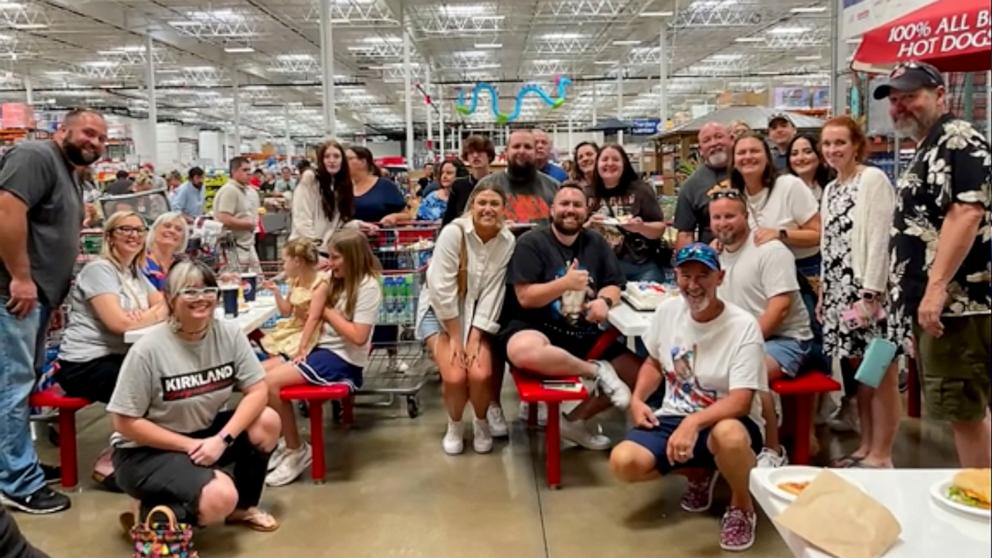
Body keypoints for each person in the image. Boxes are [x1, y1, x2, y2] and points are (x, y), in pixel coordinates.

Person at [609, 243, 767, 552]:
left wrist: (693, 422)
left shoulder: (743, 326)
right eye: (685, 276)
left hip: (729, 418)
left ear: (720, 278)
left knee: (729, 436)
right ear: (676, 277)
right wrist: (639, 399)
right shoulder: (668, 311)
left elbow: (741, 401)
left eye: (703, 276)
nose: (693, 285)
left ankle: (742, 505)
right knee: (623, 462)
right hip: (674, 413)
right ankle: (700, 472)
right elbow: (654, 361)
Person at [108, 260, 281, 531]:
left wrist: (222, 440)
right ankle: (148, 511)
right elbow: (124, 423)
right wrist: (188, 446)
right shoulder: (148, 350)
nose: (201, 298)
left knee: (267, 420)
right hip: (144, 453)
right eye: (189, 291)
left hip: (203, 435)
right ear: (170, 298)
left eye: (208, 290)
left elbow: (257, 390)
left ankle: (243, 508)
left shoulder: (229, 335)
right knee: (220, 496)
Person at [878, 61, 991, 468]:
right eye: (894, 100)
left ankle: (981, 511)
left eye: (910, 96)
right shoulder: (929, 144)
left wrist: (936, 287)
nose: (900, 107)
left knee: (964, 412)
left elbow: (967, 212)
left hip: (957, 306)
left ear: (940, 95)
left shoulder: (956, 138)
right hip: (941, 305)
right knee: (968, 409)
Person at [0, 108, 107, 514]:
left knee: (19, 387)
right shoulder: (34, 156)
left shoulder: (69, 172)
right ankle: (17, 484)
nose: (94, 142)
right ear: (62, 130)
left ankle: (14, 465)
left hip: (38, 297)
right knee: (12, 387)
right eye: (87, 132)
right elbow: (6, 210)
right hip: (13, 296)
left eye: (100, 137)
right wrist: (21, 277)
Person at [501, 184, 639, 449]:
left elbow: (614, 283)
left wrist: (604, 300)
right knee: (522, 351)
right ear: (552, 210)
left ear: (586, 211)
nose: (570, 210)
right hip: (536, 326)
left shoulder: (595, 242)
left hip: (582, 332)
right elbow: (526, 297)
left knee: (640, 374)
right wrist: (565, 283)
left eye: (577, 205)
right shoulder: (531, 242)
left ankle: (575, 422)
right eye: (564, 204)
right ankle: (597, 371)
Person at [55, 211, 168, 489]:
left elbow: (166, 303)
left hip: (118, 356)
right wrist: (152, 313)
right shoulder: (99, 270)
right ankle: (111, 463)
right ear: (109, 237)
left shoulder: (134, 272)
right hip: (84, 364)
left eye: (139, 230)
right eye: (124, 229)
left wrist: (148, 314)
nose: (133, 235)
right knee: (150, 391)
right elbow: (117, 323)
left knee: (166, 381)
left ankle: (147, 455)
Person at [264, 230, 383, 486]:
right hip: (319, 348)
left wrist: (326, 312)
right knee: (257, 375)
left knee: (272, 383)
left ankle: (297, 450)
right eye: (328, 256)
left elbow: (359, 336)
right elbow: (307, 293)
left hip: (341, 358)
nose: (330, 262)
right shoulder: (331, 278)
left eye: (336, 257)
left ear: (352, 257)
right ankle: (287, 441)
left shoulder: (368, 286)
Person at [818, 115, 902, 469]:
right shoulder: (831, 188)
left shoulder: (872, 180)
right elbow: (828, 243)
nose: (833, 150)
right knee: (861, 377)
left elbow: (881, 239)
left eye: (840, 142)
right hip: (840, 294)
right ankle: (866, 446)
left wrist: (871, 294)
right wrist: (824, 291)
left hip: (870, 295)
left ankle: (882, 453)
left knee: (881, 373)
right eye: (827, 144)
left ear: (856, 145)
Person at [709, 190, 813, 468]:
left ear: (746, 216)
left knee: (749, 369)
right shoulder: (716, 254)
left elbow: (779, 308)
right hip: (741, 339)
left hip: (787, 339)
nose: (723, 223)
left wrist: (742, 346)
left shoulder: (770, 250)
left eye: (730, 215)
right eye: (716, 217)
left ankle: (772, 448)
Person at [417, 184, 515, 454]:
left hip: (477, 317)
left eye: (494, 203)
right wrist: (456, 337)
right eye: (481, 202)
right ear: (471, 206)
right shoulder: (454, 233)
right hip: (439, 313)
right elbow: (440, 288)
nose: (487, 209)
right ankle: (455, 424)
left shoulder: (507, 241)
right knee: (455, 376)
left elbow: (494, 292)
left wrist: (474, 337)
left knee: (481, 373)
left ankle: (481, 422)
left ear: (503, 209)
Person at [730, 133, 821, 282]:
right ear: (734, 161)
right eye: (741, 152)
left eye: (754, 151)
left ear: (767, 158)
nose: (748, 156)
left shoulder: (789, 185)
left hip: (803, 274)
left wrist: (781, 234)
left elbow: (818, 235)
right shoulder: (737, 196)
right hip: (761, 275)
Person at [587, 144, 667, 282]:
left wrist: (640, 227)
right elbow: (573, 234)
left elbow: (660, 229)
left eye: (615, 159)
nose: (610, 163)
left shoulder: (641, 190)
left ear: (624, 164)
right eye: (604, 159)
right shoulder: (586, 193)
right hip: (600, 266)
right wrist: (589, 224)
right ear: (597, 164)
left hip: (641, 266)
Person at [475, 130, 559, 227]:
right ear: (506, 152)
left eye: (527, 147)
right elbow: (467, 224)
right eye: (516, 146)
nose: (522, 151)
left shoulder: (553, 187)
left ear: (535, 152)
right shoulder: (486, 185)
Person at [259, 239, 324, 358]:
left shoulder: (320, 283)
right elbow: (286, 311)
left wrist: (302, 348)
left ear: (297, 262)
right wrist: (276, 292)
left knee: (280, 351)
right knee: (272, 346)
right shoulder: (295, 281)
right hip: (294, 326)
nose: (283, 267)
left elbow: (313, 319)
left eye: (284, 262)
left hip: (309, 331)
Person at [674, 122, 733, 249]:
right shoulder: (691, 186)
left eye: (719, 136)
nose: (714, 143)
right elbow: (685, 233)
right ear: (700, 150)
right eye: (707, 140)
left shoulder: (748, 172)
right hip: (713, 257)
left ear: (731, 140)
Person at [290, 141, 356, 250]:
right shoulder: (310, 179)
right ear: (321, 160)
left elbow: (337, 224)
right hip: (305, 250)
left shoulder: (343, 185)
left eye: (336, 156)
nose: (332, 161)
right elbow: (302, 219)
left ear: (342, 160)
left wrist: (357, 224)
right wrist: (314, 249)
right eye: (327, 157)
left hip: (327, 250)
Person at [214, 156, 261, 273]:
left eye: (249, 170)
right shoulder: (230, 190)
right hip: (232, 248)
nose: (249, 173)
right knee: (233, 280)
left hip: (247, 245)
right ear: (234, 172)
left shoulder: (246, 190)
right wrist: (247, 224)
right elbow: (223, 218)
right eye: (244, 170)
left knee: (256, 281)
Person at [443, 135, 497, 226]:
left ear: (489, 156)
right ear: (466, 157)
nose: (475, 155)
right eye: (471, 152)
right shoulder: (458, 185)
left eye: (480, 151)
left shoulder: (499, 183)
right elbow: (448, 220)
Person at [347, 146, 409, 225]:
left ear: (363, 162)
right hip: (348, 236)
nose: (343, 162)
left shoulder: (385, 186)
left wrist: (394, 217)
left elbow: (407, 215)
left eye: (349, 159)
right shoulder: (342, 188)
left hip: (379, 235)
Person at [143, 211, 189, 291]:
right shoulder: (141, 263)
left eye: (178, 229)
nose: (172, 231)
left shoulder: (184, 266)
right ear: (154, 231)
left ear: (182, 239)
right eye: (167, 226)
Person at [786, 134, 832, 202]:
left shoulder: (832, 187)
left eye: (807, 152)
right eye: (794, 154)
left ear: (820, 156)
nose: (800, 158)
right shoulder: (782, 189)